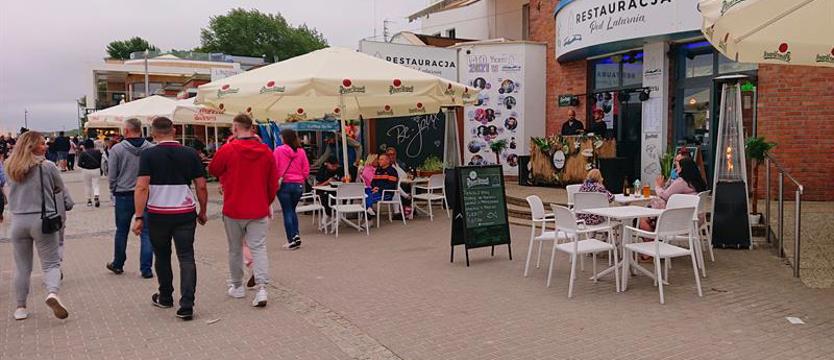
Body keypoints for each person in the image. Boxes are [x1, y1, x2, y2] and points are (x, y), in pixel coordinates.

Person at [133, 117, 208, 321]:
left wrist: (139, 216)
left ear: (154, 133)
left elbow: (141, 187)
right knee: (186, 256)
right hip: (185, 213)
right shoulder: (190, 153)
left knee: (162, 255)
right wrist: (203, 210)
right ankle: (187, 305)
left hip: (158, 214)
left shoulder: (148, 155)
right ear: (174, 130)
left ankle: (165, 296)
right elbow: (201, 185)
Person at [208, 114, 278, 307]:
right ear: (252, 129)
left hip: (234, 207)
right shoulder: (265, 152)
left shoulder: (229, 149)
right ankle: (262, 288)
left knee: (235, 249)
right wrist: (266, 201)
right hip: (258, 207)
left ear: (236, 128)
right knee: (258, 248)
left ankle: (237, 286)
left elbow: (213, 169)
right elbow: (273, 182)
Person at [5, 131, 70, 320]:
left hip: (17, 220)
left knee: (22, 266)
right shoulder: (47, 166)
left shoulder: (9, 166)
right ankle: (52, 293)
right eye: (42, 144)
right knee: (50, 263)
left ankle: (20, 307)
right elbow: (58, 187)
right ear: (32, 146)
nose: (46, 146)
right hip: (42, 220)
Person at [107, 118, 155, 278]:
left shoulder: (117, 150)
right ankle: (146, 269)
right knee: (147, 232)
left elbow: (112, 174)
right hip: (146, 194)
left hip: (123, 194)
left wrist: (113, 189)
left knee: (121, 230)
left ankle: (118, 264)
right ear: (140, 130)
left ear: (126, 130)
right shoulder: (151, 148)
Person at [640, 157, 706, 231]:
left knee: (643, 220)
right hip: (695, 219)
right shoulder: (698, 182)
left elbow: (664, 195)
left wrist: (658, 186)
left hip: (679, 221)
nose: (675, 168)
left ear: (682, 168)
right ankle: (656, 239)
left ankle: (653, 240)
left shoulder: (681, 182)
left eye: (677, 166)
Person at [274, 128, 310, 250]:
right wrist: (301, 178)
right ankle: (296, 235)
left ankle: (292, 238)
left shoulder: (279, 151)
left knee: (287, 211)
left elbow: (274, 166)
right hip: (298, 185)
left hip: (284, 184)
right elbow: (306, 169)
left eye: (281, 137)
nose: (280, 139)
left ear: (285, 138)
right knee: (292, 210)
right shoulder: (301, 152)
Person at [314, 157, 344, 224]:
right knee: (325, 196)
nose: (334, 168)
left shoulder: (339, 169)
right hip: (323, 191)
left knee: (343, 196)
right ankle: (328, 214)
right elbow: (316, 186)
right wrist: (327, 181)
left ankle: (337, 214)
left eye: (336, 166)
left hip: (337, 190)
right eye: (333, 166)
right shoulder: (322, 171)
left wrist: (343, 179)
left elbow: (343, 178)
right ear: (327, 164)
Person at [77, 139, 103, 207]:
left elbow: (79, 164)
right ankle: (96, 196)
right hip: (96, 169)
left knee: (87, 185)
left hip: (86, 170)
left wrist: (84, 166)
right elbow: (101, 161)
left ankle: (89, 200)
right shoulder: (98, 152)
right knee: (96, 184)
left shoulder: (83, 153)